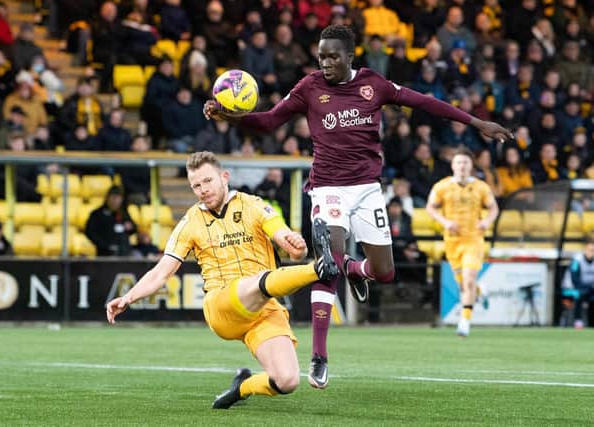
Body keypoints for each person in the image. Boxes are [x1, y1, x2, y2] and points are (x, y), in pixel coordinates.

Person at [204, 25, 512, 387]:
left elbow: (425, 102)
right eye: (321, 56)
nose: (326, 62)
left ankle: (355, 269)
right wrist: (234, 117)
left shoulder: (373, 84)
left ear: (350, 56)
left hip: (367, 189)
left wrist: (476, 122)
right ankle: (319, 355)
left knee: (384, 272)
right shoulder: (309, 87)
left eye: (333, 56)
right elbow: (271, 120)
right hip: (327, 188)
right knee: (327, 263)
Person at [106, 151, 338, 409]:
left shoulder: (253, 204)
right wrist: (129, 297)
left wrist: (296, 246)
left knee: (287, 380)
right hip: (221, 306)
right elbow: (161, 272)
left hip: (263, 309)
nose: (203, 190)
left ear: (224, 177)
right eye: (196, 185)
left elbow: (287, 240)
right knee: (258, 280)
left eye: (207, 181)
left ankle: (241, 388)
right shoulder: (190, 222)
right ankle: (319, 270)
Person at [425, 147, 499, 337]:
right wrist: (445, 222)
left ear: (471, 165)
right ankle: (480, 290)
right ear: (453, 165)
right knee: (463, 283)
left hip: (473, 239)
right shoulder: (442, 186)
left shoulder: (481, 186)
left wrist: (486, 222)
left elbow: (493, 209)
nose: (462, 166)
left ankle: (465, 321)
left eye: (465, 162)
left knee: (468, 279)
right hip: (452, 241)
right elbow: (430, 208)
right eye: (459, 162)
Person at [85, 186, 136, 256]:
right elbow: (89, 232)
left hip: (124, 253)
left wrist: (131, 227)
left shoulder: (124, 213)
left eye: (118, 198)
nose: (116, 201)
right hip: (105, 254)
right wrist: (104, 245)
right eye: (113, 198)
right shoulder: (97, 214)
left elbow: (134, 228)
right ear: (107, 198)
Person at [564, 237, 594, 329]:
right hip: (574, 287)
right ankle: (578, 321)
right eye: (590, 250)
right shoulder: (577, 260)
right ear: (585, 250)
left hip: (590, 288)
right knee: (579, 295)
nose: (591, 253)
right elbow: (574, 279)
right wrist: (586, 287)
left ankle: (591, 323)